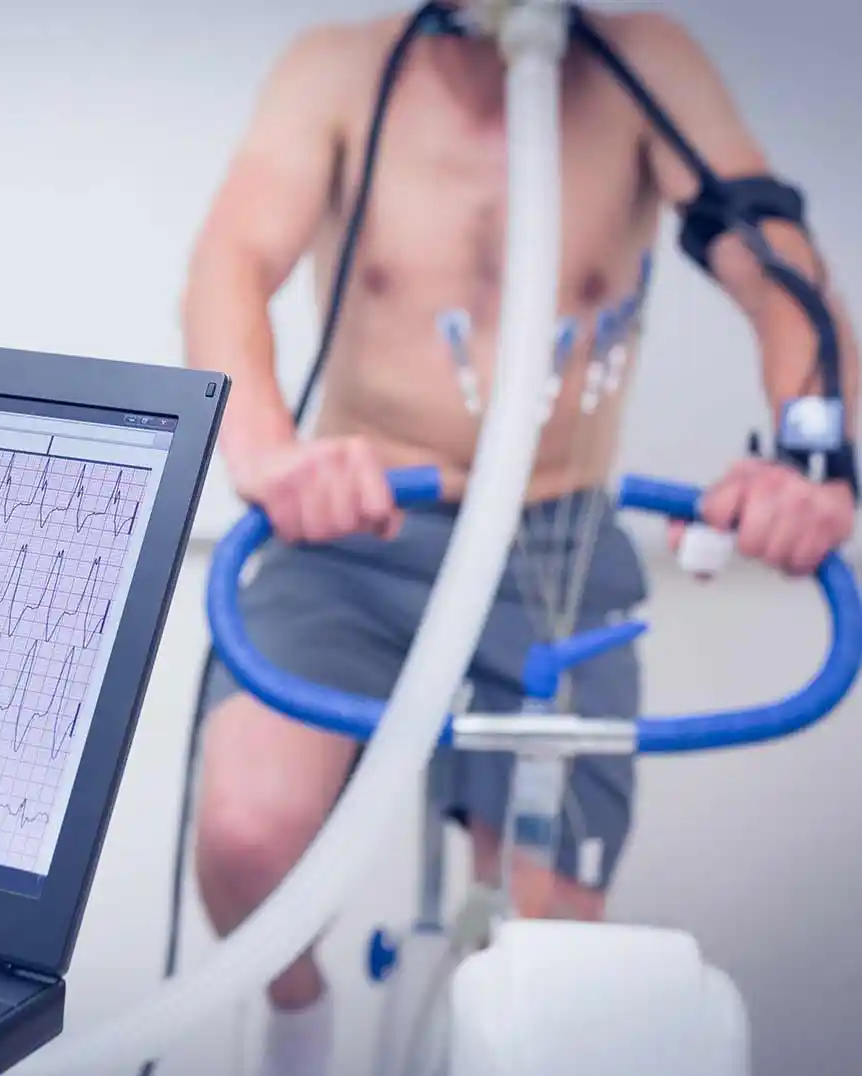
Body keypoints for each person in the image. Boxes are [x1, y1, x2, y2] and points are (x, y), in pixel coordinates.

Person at [183, 4, 858, 1075]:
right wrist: (266, 450)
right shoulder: (338, 71)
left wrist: (811, 459)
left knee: (549, 970)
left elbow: (777, 267)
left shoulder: (642, 68)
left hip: (554, 553)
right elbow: (230, 258)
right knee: (245, 835)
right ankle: (297, 1020)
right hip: (358, 533)